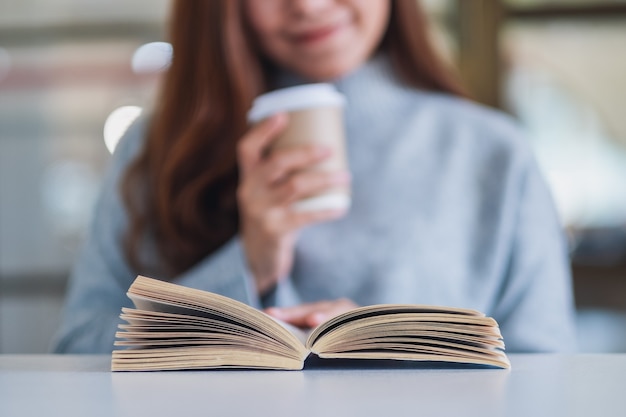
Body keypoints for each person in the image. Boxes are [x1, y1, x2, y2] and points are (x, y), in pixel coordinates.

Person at [52, 0, 577, 354]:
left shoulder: (492, 152)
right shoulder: (159, 148)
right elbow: (80, 348)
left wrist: (386, 346)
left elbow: (545, 369)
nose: (307, 5)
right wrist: (247, 264)